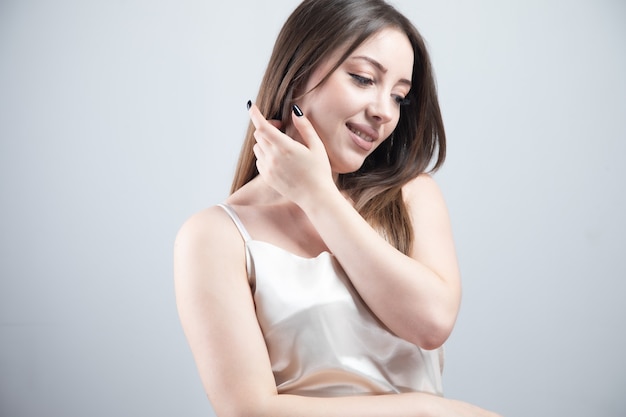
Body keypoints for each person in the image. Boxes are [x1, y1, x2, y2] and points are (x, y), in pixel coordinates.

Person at [174, 0, 502, 416]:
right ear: (296, 77)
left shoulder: (411, 196)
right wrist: (426, 411)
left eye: (399, 96)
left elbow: (432, 323)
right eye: (364, 79)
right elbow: (249, 409)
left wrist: (320, 196)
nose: (384, 111)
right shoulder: (214, 236)